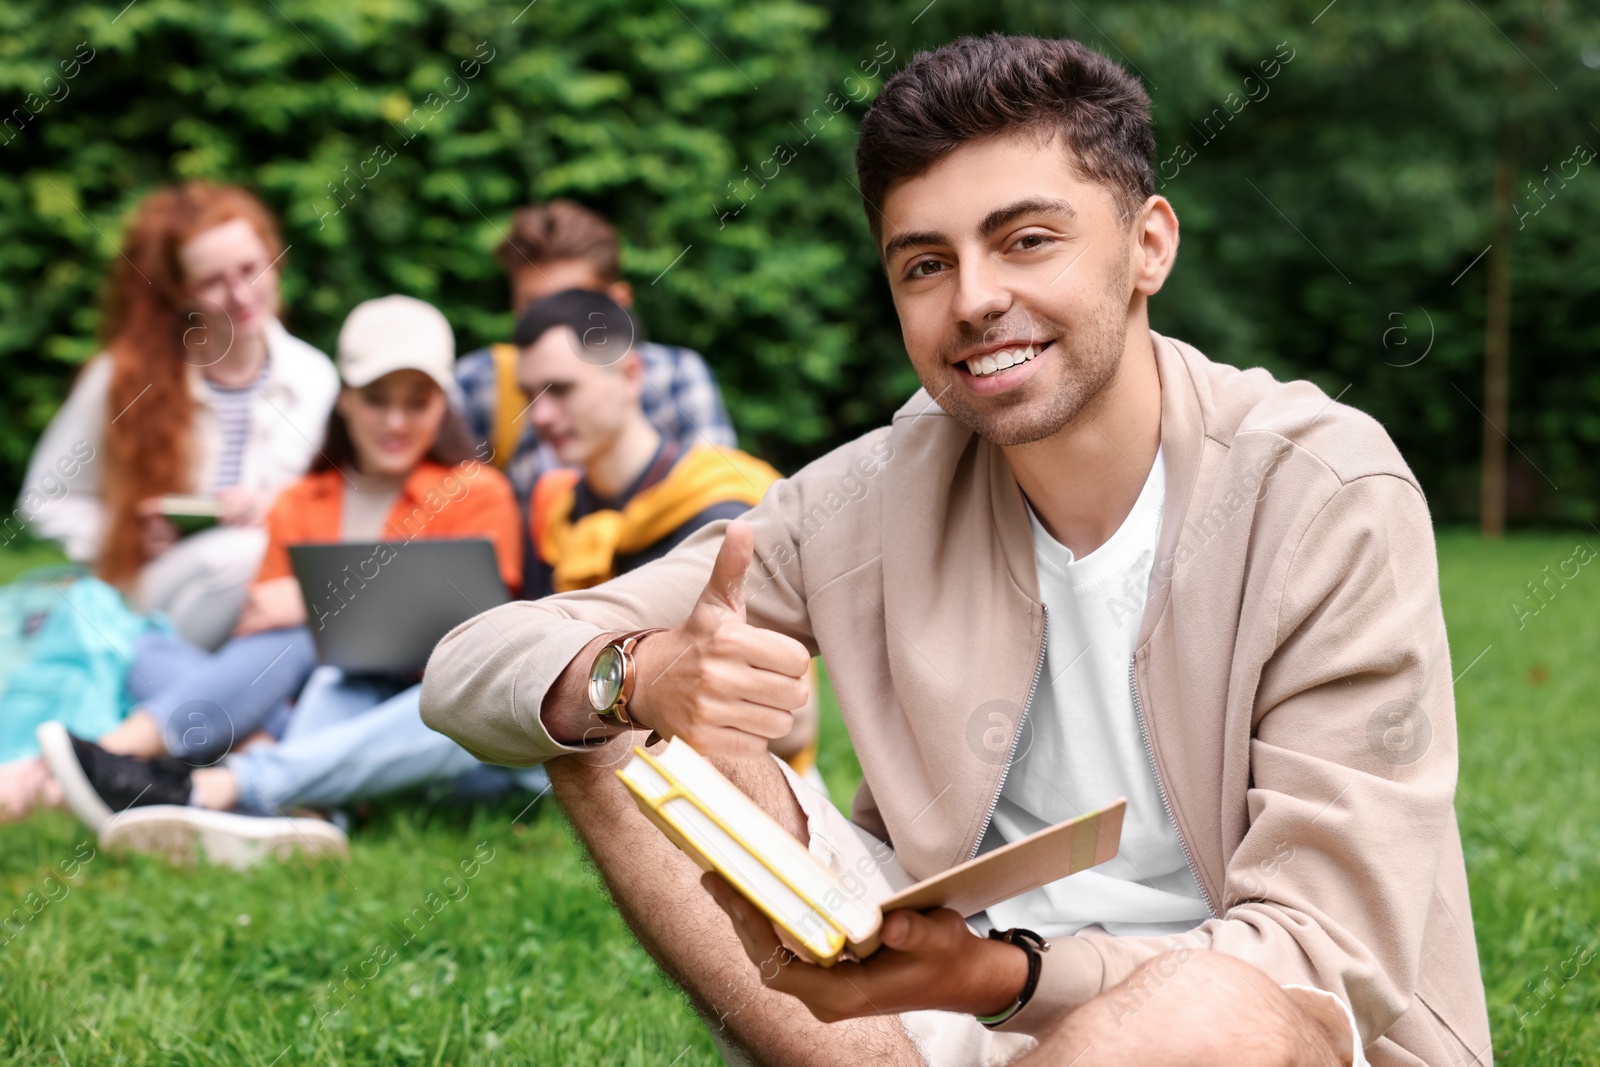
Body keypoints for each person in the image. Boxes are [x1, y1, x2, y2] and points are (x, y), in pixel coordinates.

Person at [420, 34, 1491, 1067]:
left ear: (1148, 244)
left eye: (1027, 239)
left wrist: (1002, 975)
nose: (974, 299)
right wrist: (637, 673)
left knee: (1205, 1012)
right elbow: (475, 659)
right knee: (602, 721)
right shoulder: (873, 490)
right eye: (926, 263)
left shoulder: (1321, 490)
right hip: (923, 1003)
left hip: (1241, 1020)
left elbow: (1320, 959)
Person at [32, 295, 530, 860]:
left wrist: (319, 603)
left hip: (401, 703)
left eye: (417, 403)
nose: (396, 422)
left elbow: (476, 638)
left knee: (321, 660)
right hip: (290, 705)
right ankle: (280, 778)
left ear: (443, 406)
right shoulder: (298, 503)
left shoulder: (475, 492)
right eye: (376, 400)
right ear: (344, 399)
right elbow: (258, 645)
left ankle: (124, 756)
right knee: (152, 652)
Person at [18, 182, 339, 650]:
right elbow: (44, 498)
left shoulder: (315, 378)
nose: (241, 294)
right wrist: (122, 536)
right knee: (239, 554)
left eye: (251, 269)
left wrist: (270, 508)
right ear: (181, 291)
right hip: (155, 590)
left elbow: (339, 504)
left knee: (263, 562)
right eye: (213, 281)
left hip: (276, 595)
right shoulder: (124, 378)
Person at [515, 288, 819, 775]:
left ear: (630, 375)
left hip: (735, 771)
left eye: (561, 390)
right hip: (591, 737)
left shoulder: (726, 502)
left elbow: (790, 724)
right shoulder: (556, 506)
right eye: (529, 396)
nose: (541, 416)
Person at [453, 198, 736, 498]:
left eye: (574, 306)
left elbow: (716, 505)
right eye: (534, 308)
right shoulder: (480, 383)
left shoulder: (677, 376)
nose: (552, 327)